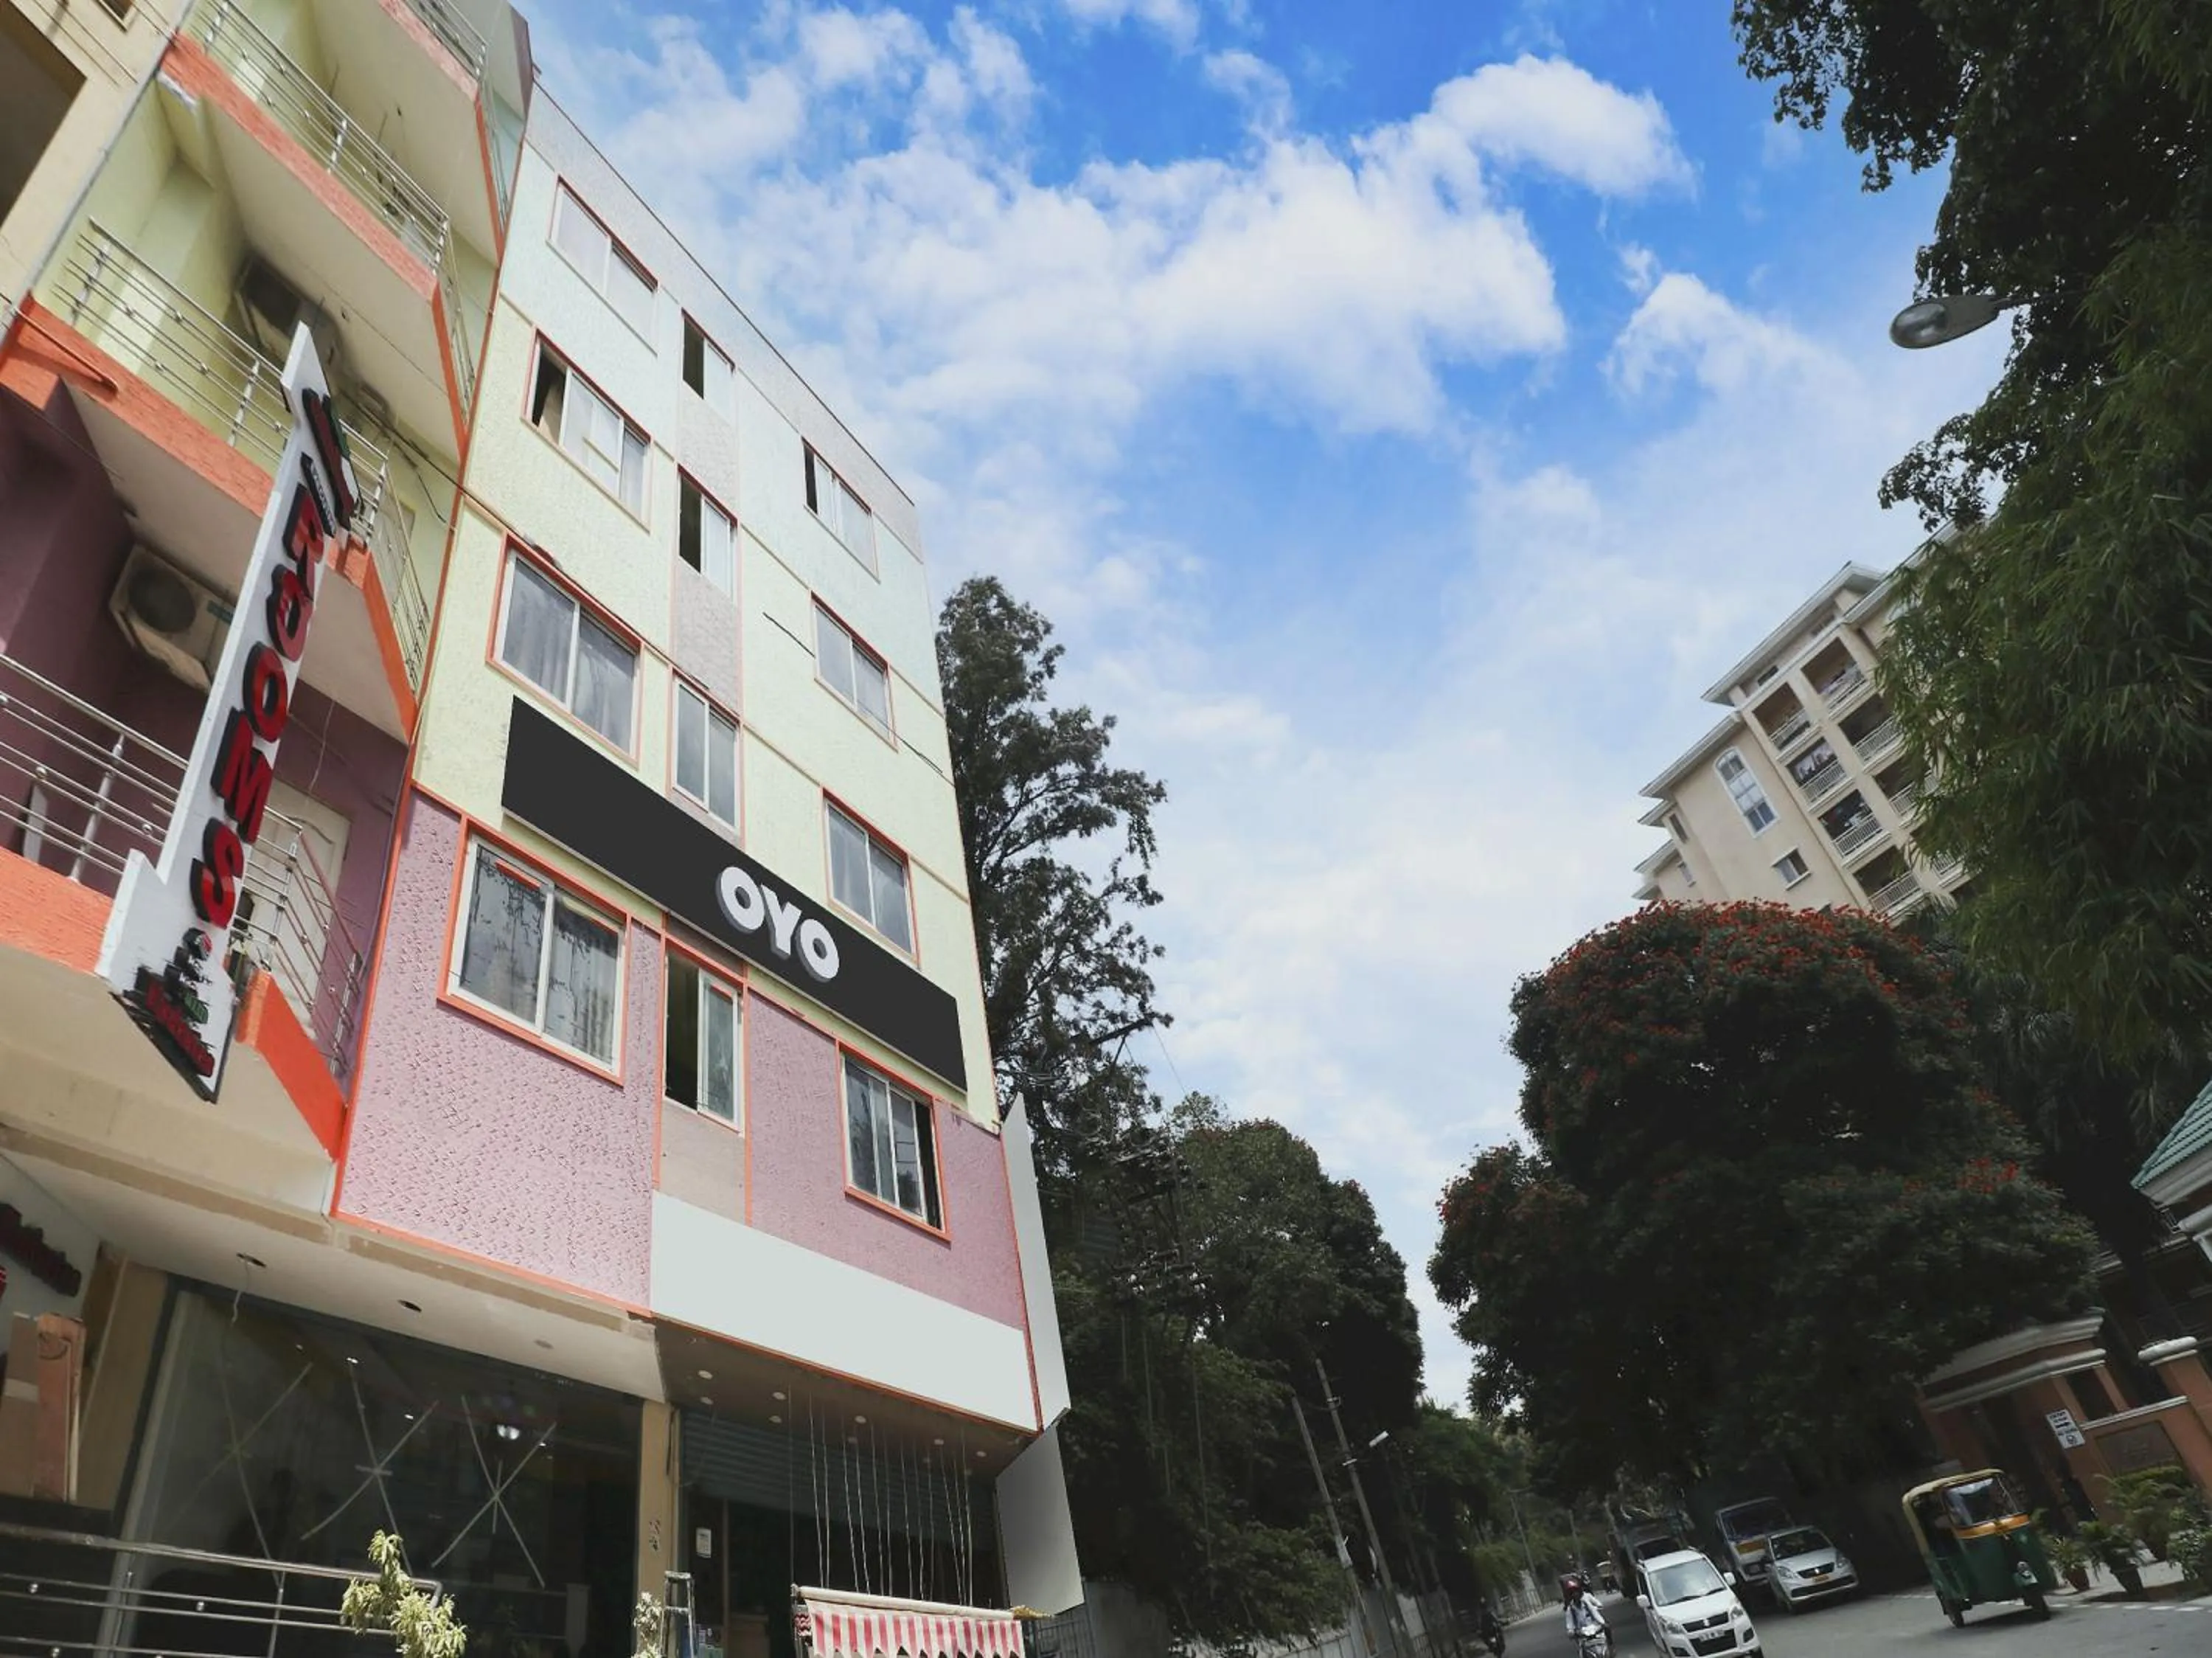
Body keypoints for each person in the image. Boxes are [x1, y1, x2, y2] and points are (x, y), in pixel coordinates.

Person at [1560, 1576, 1606, 1645]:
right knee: (1581, 1648)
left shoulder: (1587, 1602)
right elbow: (1570, 1623)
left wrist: (1603, 1623)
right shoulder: (1571, 1609)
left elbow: (1595, 1614)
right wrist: (1571, 1631)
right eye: (1572, 1593)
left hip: (1594, 1628)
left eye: (1576, 1592)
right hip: (1582, 1633)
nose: (1575, 1594)